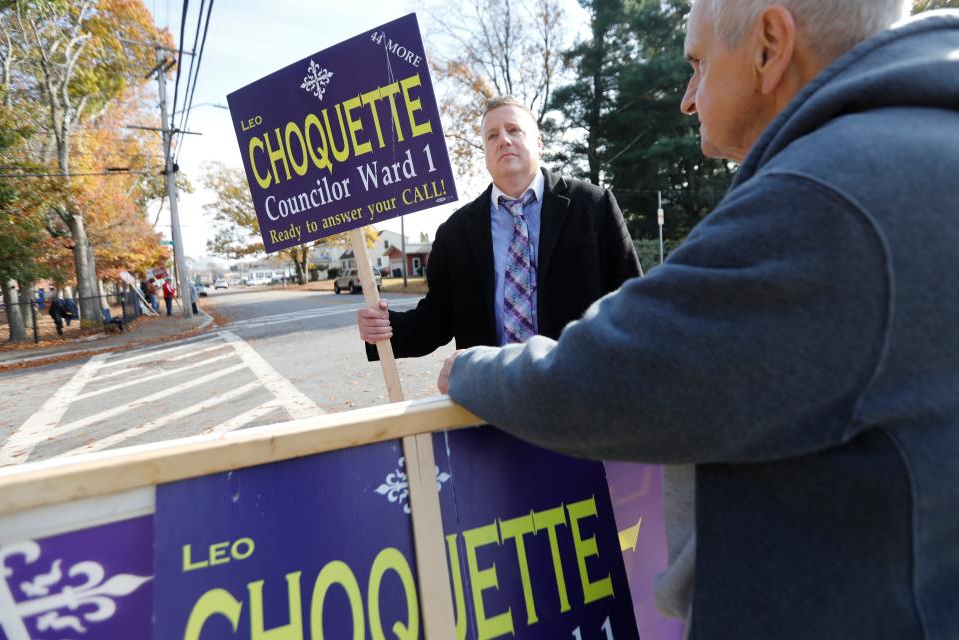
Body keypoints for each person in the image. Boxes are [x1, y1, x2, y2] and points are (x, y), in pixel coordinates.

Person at [439, 2, 959, 638]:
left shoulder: (823, 201)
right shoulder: (923, 141)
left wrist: (469, 369)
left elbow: (611, 380)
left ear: (769, 46)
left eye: (699, 63)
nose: (687, 98)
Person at [357, 96, 642, 357]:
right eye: (492, 135)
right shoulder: (455, 233)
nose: (503, 140)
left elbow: (631, 304)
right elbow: (436, 320)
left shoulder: (593, 205)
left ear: (539, 143)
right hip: (492, 397)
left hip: (580, 391)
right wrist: (385, 328)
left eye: (514, 130)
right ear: (485, 153)